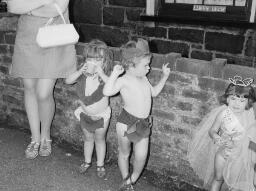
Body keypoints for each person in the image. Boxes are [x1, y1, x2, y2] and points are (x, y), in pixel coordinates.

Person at [7, 0, 77, 159]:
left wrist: (29, 9)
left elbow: (57, 9)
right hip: (28, 36)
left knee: (44, 93)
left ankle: (46, 136)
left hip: (53, 35)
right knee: (29, 88)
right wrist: (45, 1)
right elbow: (13, 6)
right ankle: (35, 138)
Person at [103, 38, 170, 191]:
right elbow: (107, 91)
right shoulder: (124, 80)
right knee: (125, 153)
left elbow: (154, 92)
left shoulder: (144, 77)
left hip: (143, 123)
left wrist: (164, 77)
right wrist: (114, 74)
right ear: (131, 65)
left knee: (141, 156)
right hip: (126, 122)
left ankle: (132, 179)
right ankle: (127, 181)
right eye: (146, 65)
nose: (149, 68)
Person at [188, 75, 256, 191]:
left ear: (248, 102)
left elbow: (251, 137)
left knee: (235, 184)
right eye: (233, 98)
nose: (236, 103)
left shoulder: (250, 115)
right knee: (218, 178)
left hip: (240, 157)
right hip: (223, 153)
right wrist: (215, 136)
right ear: (227, 99)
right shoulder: (223, 114)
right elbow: (212, 130)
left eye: (242, 100)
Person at [65, 39, 112, 178]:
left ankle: (100, 164)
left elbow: (112, 87)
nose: (95, 62)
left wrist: (101, 73)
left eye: (99, 59)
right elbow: (68, 81)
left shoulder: (106, 77)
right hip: (85, 114)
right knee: (87, 138)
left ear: (105, 61)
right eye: (91, 58)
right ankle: (87, 161)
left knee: (100, 138)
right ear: (86, 60)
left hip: (101, 115)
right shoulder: (82, 75)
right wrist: (80, 71)